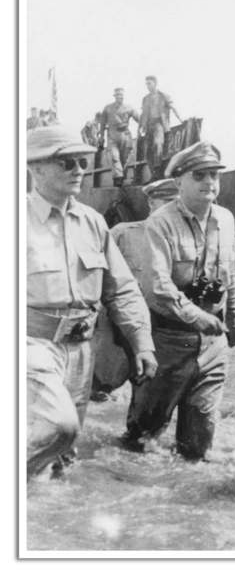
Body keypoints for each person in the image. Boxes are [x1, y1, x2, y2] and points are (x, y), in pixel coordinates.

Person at [26, 125, 157, 479]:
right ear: (36, 168)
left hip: (82, 349)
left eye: (82, 162)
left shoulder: (93, 222)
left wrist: (141, 342)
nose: (79, 170)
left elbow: (121, 289)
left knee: (64, 454)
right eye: (66, 162)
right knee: (60, 425)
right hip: (33, 344)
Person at [123, 141, 235, 461]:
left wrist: (234, 321)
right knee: (143, 440)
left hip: (213, 344)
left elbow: (229, 276)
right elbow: (158, 286)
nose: (209, 182)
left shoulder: (226, 220)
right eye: (199, 175)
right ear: (178, 182)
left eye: (214, 175)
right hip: (168, 341)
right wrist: (196, 316)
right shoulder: (161, 222)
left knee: (198, 446)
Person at [90, 179, 180, 403]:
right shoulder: (123, 233)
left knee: (151, 393)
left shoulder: (183, 241)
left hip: (161, 329)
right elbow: (94, 278)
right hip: (119, 326)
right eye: (167, 202)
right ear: (151, 202)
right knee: (103, 387)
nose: (173, 210)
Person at [139, 75, 183, 172]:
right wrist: (140, 128)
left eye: (150, 84)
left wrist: (181, 119)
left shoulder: (163, 96)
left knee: (157, 144)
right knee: (148, 151)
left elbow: (173, 108)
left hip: (159, 124)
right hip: (148, 126)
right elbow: (143, 114)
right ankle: (153, 172)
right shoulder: (145, 99)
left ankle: (158, 168)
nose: (148, 86)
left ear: (155, 83)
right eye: (146, 84)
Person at [99, 88, 140, 185]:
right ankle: (118, 177)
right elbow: (102, 123)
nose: (119, 97)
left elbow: (140, 119)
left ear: (123, 96)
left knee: (125, 158)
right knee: (114, 156)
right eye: (117, 95)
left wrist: (142, 130)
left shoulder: (129, 108)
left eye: (121, 95)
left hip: (125, 134)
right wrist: (101, 136)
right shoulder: (108, 108)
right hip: (112, 134)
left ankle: (121, 178)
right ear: (114, 96)